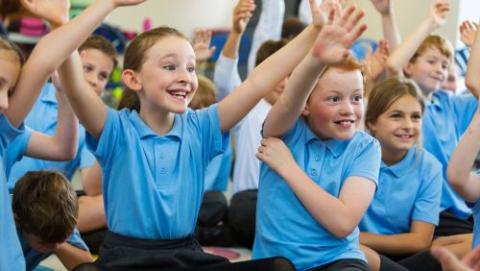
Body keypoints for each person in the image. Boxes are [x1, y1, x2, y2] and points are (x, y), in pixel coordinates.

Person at [56, 0, 327, 268]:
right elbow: (75, 86)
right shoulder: (115, 129)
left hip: (183, 255)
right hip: (125, 258)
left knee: (279, 267)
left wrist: (315, 30)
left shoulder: (201, 127)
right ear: (133, 79)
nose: (186, 77)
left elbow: (256, 82)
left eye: (191, 68)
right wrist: (68, 20)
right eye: (170, 67)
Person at [253, 4, 380, 270]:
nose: (348, 108)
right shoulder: (285, 130)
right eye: (334, 99)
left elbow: (343, 223)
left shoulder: (365, 147)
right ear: (306, 106)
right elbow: (289, 102)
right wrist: (316, 58)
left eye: (357, 98)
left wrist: (288, 168)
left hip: (338, 259)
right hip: (278, 262)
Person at [386, 0, 478, 259]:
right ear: (411, 66)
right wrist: (425, 22)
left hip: (460, 211)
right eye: (432, 61)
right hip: (429, 213)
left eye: (445, 64)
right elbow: (394, 65)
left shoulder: (451, 106)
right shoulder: (405, 105)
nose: (441, 69)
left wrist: (475, 47)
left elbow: (476, 86)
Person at [359, 77, 443, 271]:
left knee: (457, 247)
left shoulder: (430, 166)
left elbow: (420, 240)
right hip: (356, 254)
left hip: (401, 254)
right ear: (371, 122)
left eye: (415, 117)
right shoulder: (353, 158)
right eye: (396, 116)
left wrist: (359, 239)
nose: (408, 125)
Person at [12, 171, 91, 270]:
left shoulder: (60, 219)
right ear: (18, 221)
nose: (52, 247)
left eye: (60, 240)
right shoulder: (8, 228)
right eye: (43, 243)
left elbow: (86, 266)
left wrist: (59, 245)